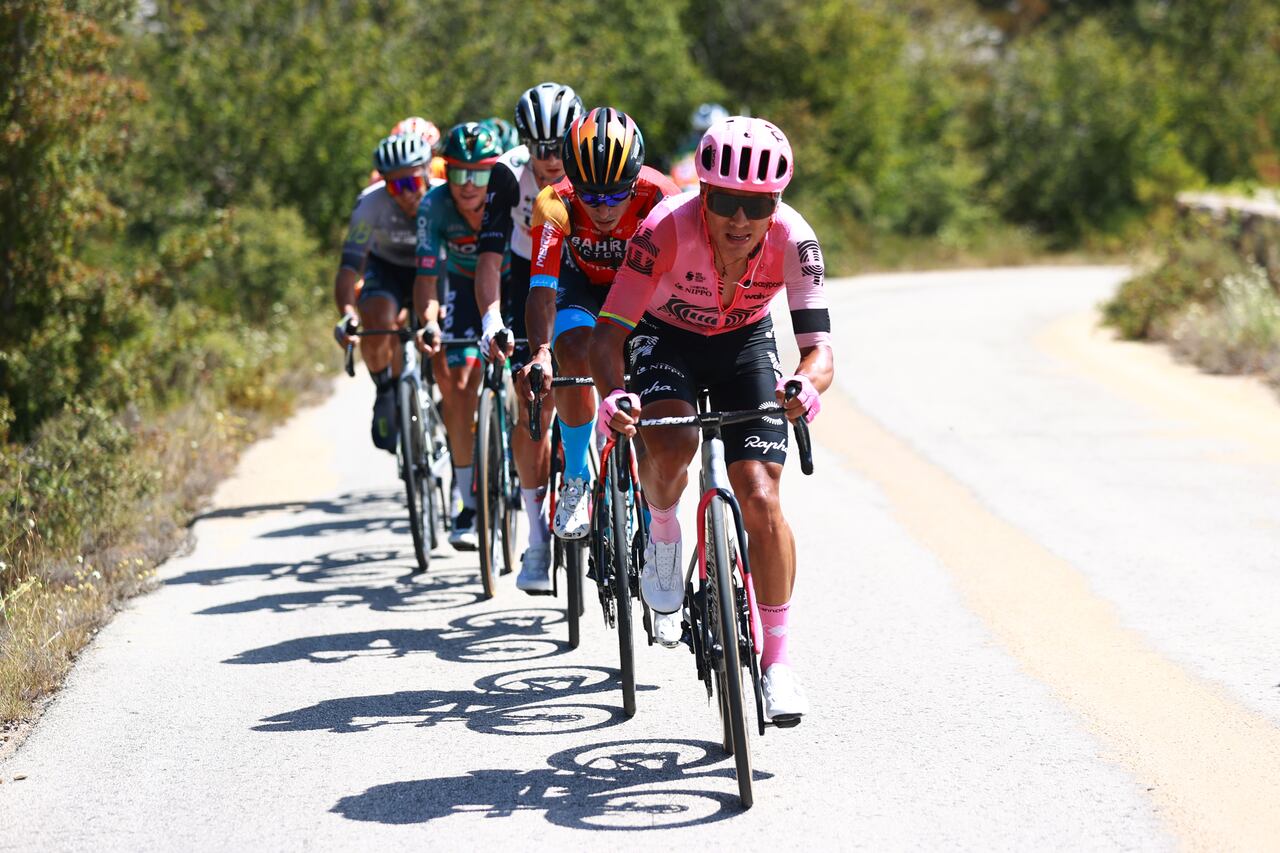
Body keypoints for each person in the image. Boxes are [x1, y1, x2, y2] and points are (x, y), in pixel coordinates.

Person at [589, 116, 833, 723]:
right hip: (665, 339)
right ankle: (663, 532)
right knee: (672, 445)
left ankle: (778, 664)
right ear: (703, 193)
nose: (740, 219)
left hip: (744, 344)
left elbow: (819, 350)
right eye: (725, 201)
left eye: (759, 204)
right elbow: (608, 334)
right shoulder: (663, 228)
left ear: (777, 204)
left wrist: (805, 384)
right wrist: (614, 395)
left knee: (762, 497)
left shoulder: (795, 240)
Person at [515, 107, 679, 544]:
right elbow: (541, 288)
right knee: (573, 351)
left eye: (616, 195)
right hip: (581, 287)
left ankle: (656, 504)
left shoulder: (661, 195)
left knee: (650, 376)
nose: (604, 209)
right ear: (573, 183)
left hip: (641, 290)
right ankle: (575, 478)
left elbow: (680, 280)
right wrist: (541, 353)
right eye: (591, 196)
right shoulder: (554, 201)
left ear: (636, 180)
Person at [474, 82, 584, 593]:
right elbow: (489, 257)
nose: (548, 159)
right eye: (539, 147)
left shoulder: (591, 164)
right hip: (527, 273)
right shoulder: (506, 172)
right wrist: (491, 318)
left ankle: (609, 483)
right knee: (533, 401)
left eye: (557, 147)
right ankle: (537, 540)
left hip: (580, 271)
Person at [412, 122, 508, 550]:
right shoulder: (433, 206)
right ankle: (467, 500)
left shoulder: (506, 195)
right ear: (444, 171)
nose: (468, 184)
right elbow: (427, 278)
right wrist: (429, 322)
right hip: (465, 289)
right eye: (458, 172)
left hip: (513, 285)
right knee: (457, 384)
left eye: (479, 173)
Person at [333, 132, 432, 453]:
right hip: (387, 267)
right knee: (376, 319)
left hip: (433, 268)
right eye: (395, 186)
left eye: (411, 182)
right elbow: (349, 266)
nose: (405, 193)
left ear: (428, 171)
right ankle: (386, 390)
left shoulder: (445, 196)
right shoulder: (370, 203)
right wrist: (348, 314)